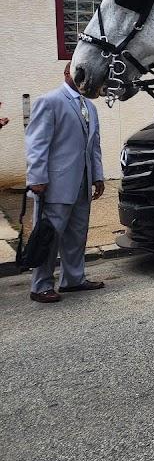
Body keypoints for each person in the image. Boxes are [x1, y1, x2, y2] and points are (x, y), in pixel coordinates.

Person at [24, 63, 106, 304]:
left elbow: (94, 145)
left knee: (77, 235)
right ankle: (41, 286)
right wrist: (36, 178)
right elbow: (37, 143)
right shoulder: (49, 101)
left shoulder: (90, 106)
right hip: (55, 184)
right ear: (66, 73)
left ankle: (73, 279)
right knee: (49, 236)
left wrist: (98, 175)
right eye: (77, 71)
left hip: (82, 182)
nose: (82, 77)